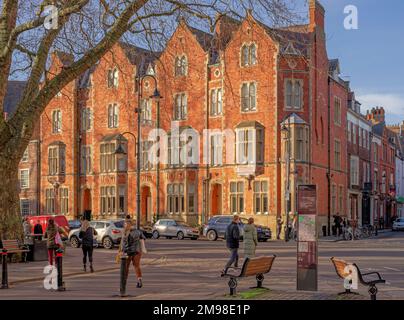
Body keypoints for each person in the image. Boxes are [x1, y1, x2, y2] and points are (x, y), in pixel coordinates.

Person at [122, 219, 146, 288]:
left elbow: (125, 244)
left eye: (125, 224)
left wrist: (123, 252)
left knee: (126, 267)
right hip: (137, 251)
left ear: (128, 225)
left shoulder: (126, 233)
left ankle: (124, 283)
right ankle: (139, 280)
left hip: (129, 252)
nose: (124, 226)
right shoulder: (138, 231)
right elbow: (143, 238)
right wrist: (142, 248)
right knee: (136, 266)